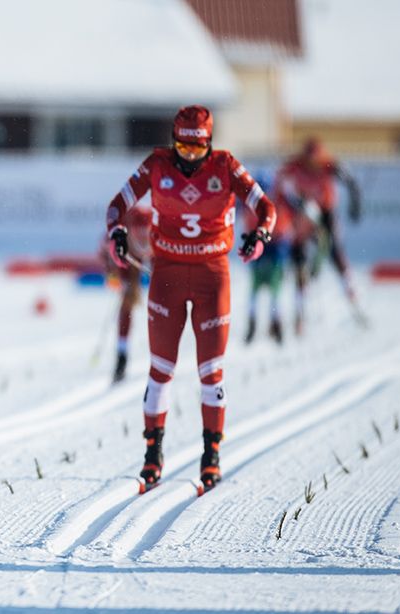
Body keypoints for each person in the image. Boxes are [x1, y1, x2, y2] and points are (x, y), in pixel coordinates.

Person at [105, 105, 276, 494]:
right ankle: (153, 454)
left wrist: (261, 236)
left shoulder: (226, 166)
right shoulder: (157, 163)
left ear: (210, 144)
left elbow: (266, 208)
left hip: (211, 276)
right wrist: (116, 232)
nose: (189, 157)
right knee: (160, 368)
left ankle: (211, 455)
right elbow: (117, 204)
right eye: (183, 147)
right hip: (166, 274)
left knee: (210, 372)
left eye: (198, 150)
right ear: (173, 141)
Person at [274, 137, 364, 335]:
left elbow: (351, 182)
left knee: (337, 254)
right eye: (309, 162)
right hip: (304, 211)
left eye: (316, 162)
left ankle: (353, 299)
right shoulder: (295, 165)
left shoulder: (330, 164)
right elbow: (279, 184)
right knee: (299, 258)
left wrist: (355, 205)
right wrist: (292, 203)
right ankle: (300, 312)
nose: (312, 166)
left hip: (326, 213)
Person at [242, 172, 294, 345]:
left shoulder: (278, 200)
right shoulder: (268, 201)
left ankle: (271, 321)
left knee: (270, 287)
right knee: (264, 288)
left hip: (274, 245)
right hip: (263, 245)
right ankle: (258, 322)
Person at [103, 203, 152, 383]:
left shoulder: (156, 231)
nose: (142, 239)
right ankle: (122, 354)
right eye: (138, 235)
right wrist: (114, 275)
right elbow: (106, 255)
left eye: (145, 235)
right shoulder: (119, 235)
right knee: (127, 301)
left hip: (150, 254)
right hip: (127, 258)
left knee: (163, 299)